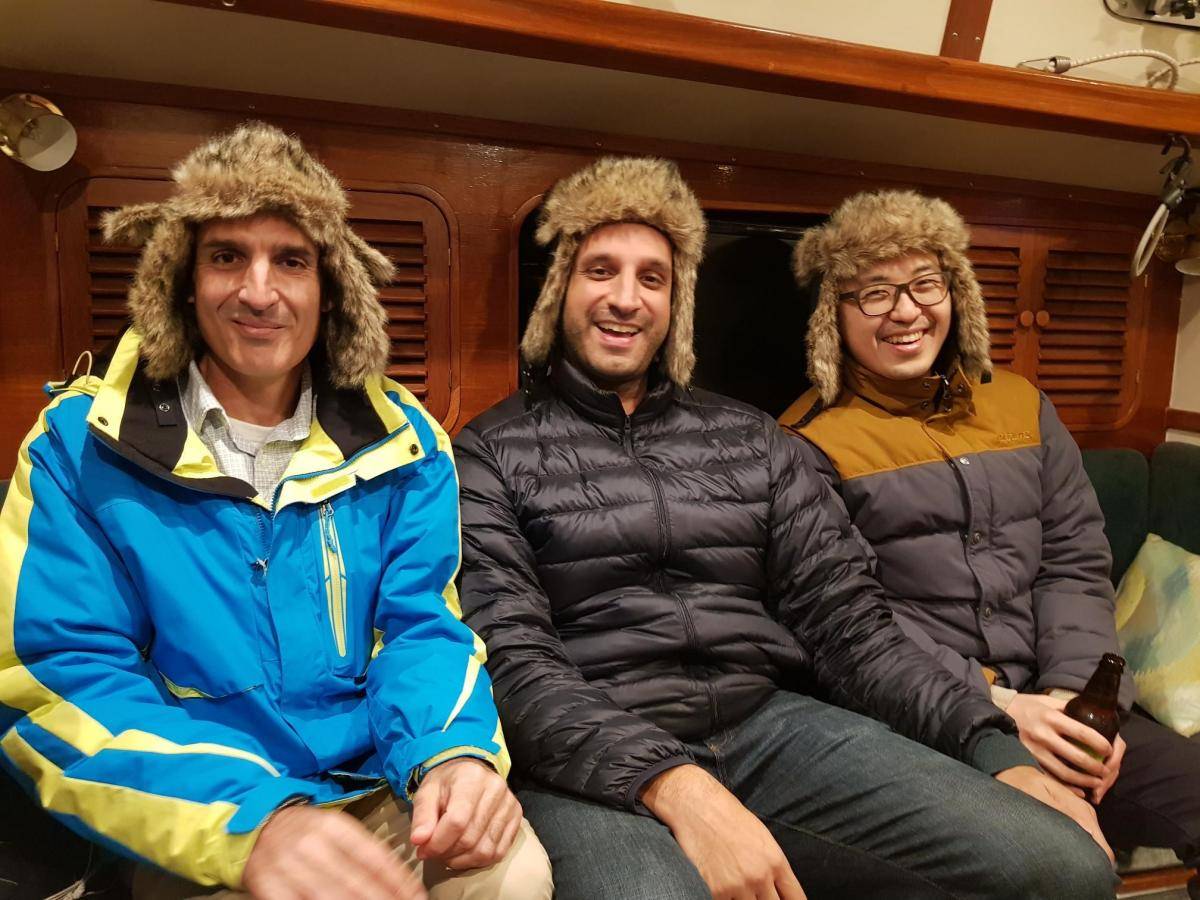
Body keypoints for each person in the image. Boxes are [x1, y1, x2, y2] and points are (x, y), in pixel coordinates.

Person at [454, 155, 1116, 900]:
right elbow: (514, 665)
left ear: (677, 301)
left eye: (653, 278)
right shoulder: (489, 453)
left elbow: (853, 629)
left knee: (1063, 867)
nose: (626, 299)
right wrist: (679, 786)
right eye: (600, 271)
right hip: (591, 758)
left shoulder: (755, 440)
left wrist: (995, 748)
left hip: (769, 729)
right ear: (559, 290)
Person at [0, 122, 551, 900]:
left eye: (291, 260)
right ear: (183, 279)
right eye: (227, 256)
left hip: (373, 785)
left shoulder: (405, 440)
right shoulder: (78, 446)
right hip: (195, 811)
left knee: (513, 876)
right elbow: (57, 675)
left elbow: (421, 629)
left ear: (330, 288)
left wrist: (452, 754)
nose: (259, 292)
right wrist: (253, 821)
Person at [781, 188, 1200, 897]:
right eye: (875, 292)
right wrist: (999, 709)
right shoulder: (805, 444)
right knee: (1055, 861)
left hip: (1055, 698)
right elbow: (850, 627)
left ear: (956, 294)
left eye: (925, 283)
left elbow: (1074, 561)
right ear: (834, 314)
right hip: (925, 720)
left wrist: (1077, 702)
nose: (906, 311)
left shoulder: (1021, 402)